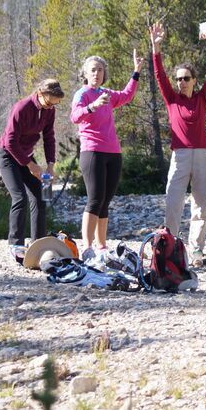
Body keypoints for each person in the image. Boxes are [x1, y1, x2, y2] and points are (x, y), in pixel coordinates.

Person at [150, 21, 206, 268]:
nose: (181, 82)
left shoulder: (202, 98)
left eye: (186, 78)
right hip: (179, 155)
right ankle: (170, 246)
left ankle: (196, 250)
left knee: (201, 204)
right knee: (173, 201)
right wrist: (156, 48)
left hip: (202, 155)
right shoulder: (172, 99)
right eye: (179, 79)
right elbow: (159, 76)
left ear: (194, 80)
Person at [70, 51, 143, 258]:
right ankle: (87, 247)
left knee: (105, 201)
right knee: (95, 199)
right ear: (85, 73)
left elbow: (127, 95)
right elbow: (75, 116)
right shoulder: (82, 94)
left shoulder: (107, 94)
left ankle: (101, 245)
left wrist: (136, 72)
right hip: (92, 151)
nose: (97, 73)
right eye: (93, 70)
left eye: (100, 70)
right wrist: (92, 106)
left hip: (113, 152)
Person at [0, 79, 64, 250]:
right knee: (20, 197)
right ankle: (15, 246)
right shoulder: (21, 107)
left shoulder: (50, 110)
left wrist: (50, 165)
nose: (51, 107)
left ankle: (38, 245)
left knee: (40, 196)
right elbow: (10, 142)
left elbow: (49, 137)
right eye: (49, 103)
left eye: (55, 104)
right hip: (7, 155)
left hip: (27, 155)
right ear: (40, 93)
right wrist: (31, 166)